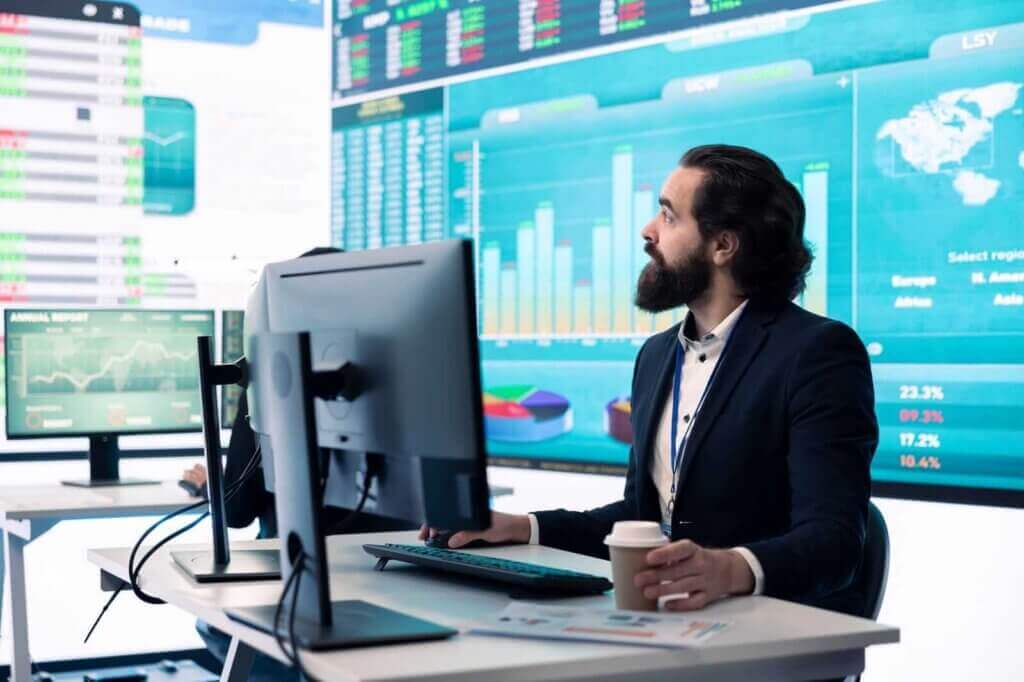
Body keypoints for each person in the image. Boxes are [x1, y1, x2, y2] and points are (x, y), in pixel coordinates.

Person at [423, 144, 878, 618]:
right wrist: (520, 527)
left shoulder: (817, 353)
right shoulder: (658, 355)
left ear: (723, 245)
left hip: (765, 633)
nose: (648, 231)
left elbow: (835, 543)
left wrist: (729, 568)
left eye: (668, 216)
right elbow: (639, 519)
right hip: (671, 624)